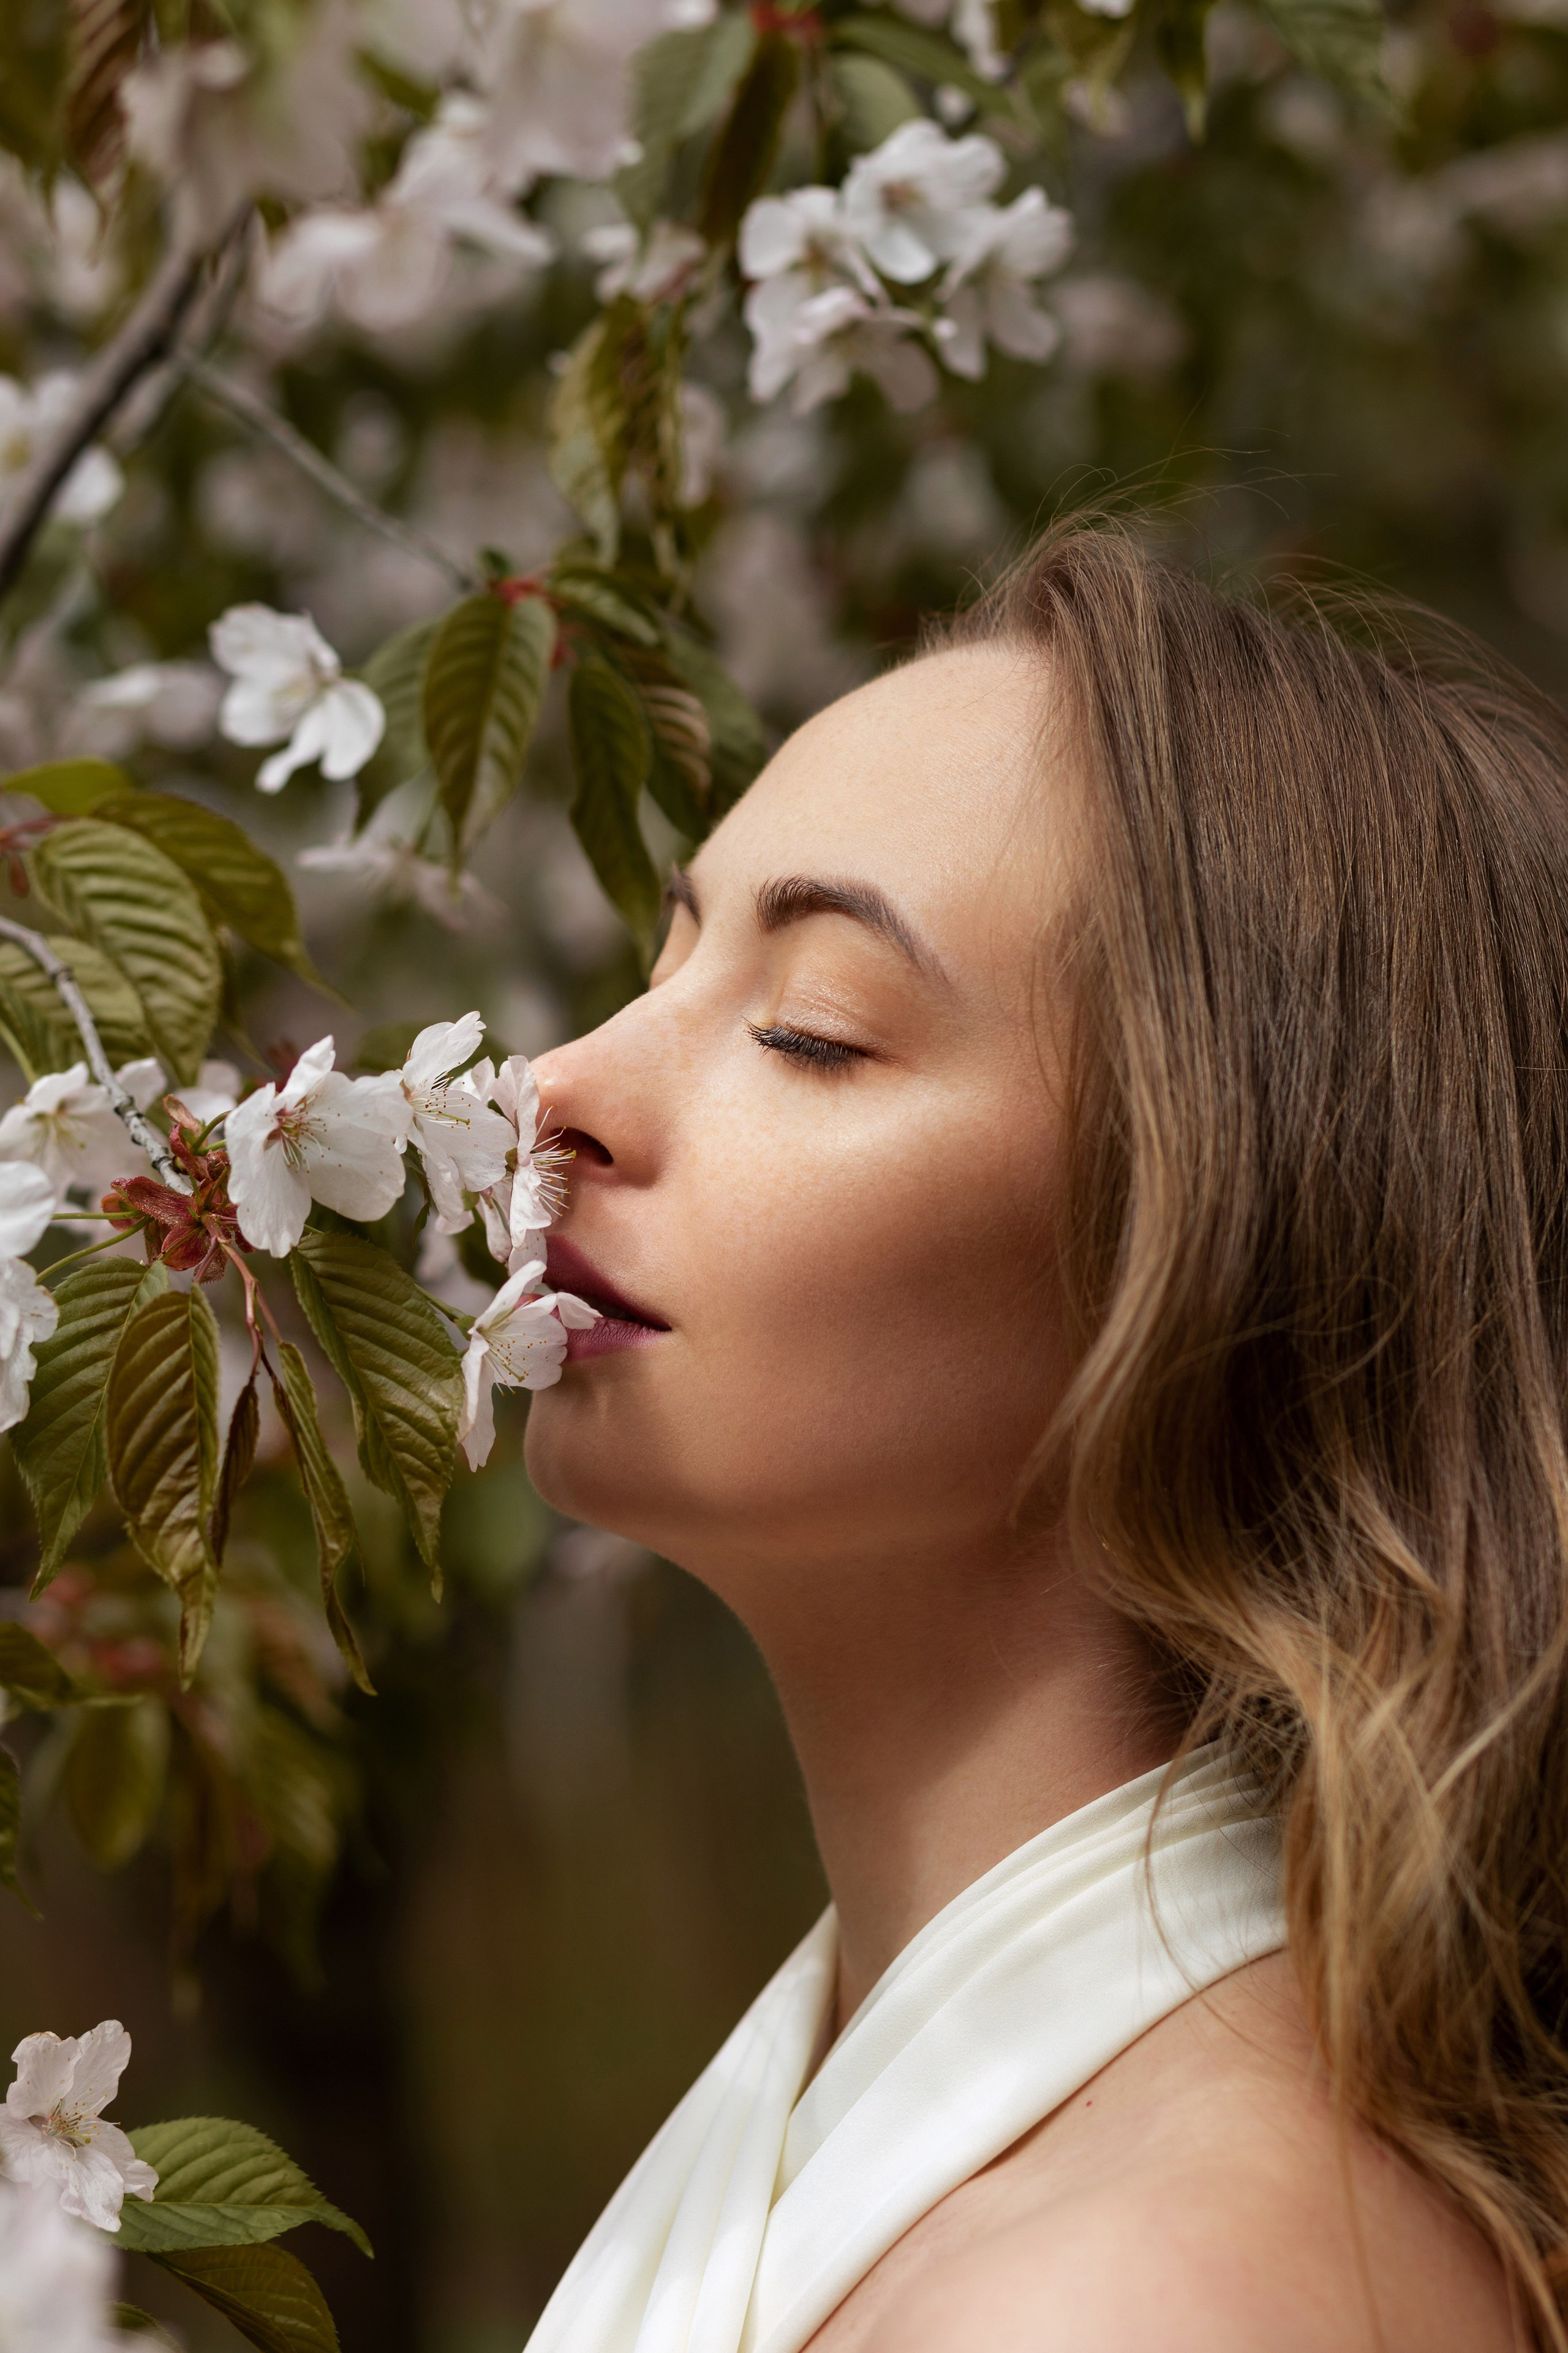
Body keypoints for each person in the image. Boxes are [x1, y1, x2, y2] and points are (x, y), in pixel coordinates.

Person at [519, 516, 1568, 2352]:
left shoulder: (1153, 2293)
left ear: (1224, 1238)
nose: (559, 1088)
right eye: (664, 958)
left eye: (813, 1029)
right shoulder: (970, 2163)